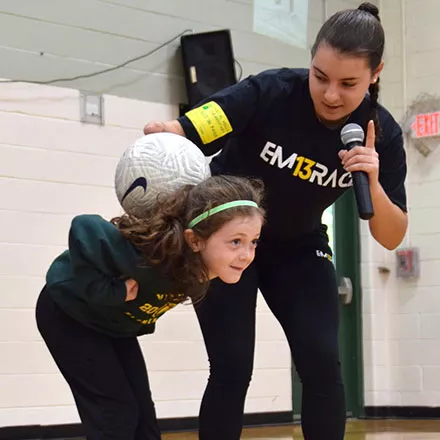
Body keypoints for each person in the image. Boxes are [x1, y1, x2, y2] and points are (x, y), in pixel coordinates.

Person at [142, 3, 408, 439]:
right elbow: (188, 130)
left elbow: (392, 235)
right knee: (232, 367)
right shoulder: (270, 91)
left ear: (375, 73)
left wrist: (374, 181)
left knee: (322, 365)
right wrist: (165, 133)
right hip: (228, 246)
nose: (330, 95)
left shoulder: (383, 134)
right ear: (311, 60)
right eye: (320, 76)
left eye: (348, 83)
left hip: (299, 247)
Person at [35, 174, 265, 440]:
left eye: (254, 241)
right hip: (67, 313)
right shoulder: (155, 256)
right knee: (115, 415)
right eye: (236, 241)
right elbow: (85, 227)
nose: (247, 254)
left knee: (143, 418)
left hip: (109, 323)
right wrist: (109, 291)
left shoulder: (206, 267)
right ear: (194, 240)